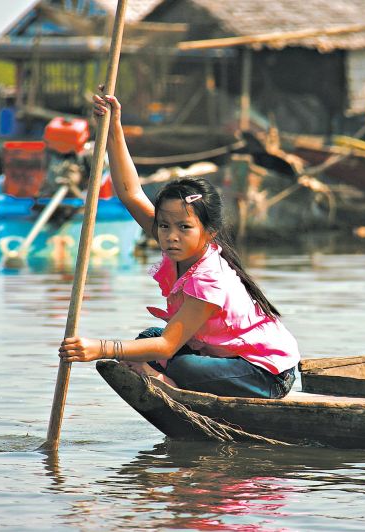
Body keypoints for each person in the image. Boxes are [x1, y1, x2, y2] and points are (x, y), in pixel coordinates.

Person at [57, 91, 299, 399]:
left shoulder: (208, 278)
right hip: (221, 354)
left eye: (184, 227)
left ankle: (168, 384)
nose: (171, 236)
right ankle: (161, 376)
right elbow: (131, 194)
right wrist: (113, 126)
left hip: (266, 374)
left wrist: (101, 348)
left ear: (209, 232)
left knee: (176, 362)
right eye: (164, 226)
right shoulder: (176, 242)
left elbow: (169, 346)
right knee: (148, 337)